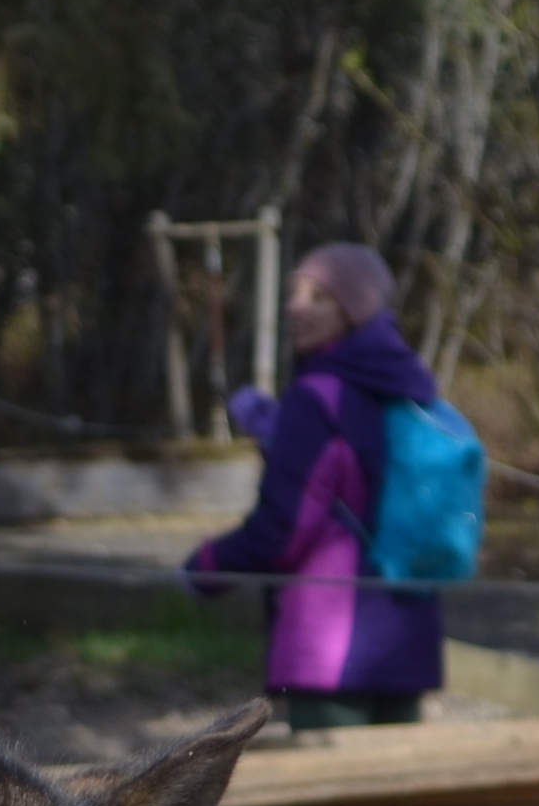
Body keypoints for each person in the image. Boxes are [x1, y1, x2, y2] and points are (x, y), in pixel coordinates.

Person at [187, 243, 449, 731]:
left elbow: (282, 532)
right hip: (408, 631)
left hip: (333, 644)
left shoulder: (316, 396)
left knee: (336, 802)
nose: (295, 307)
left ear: (354, 311)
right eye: (294, 293)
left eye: (318, 296)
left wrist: (206, 566)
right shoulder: (412, 389)